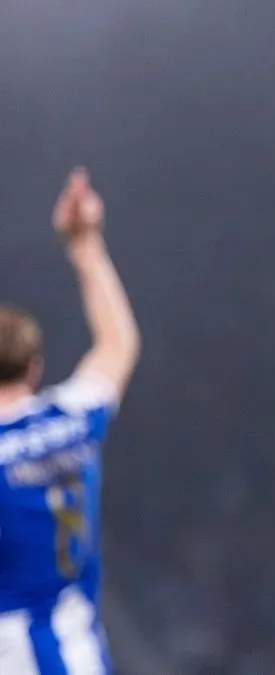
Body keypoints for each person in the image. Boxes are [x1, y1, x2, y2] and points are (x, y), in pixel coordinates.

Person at [0, 168, 141, 674]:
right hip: (79, 653)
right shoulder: (75, 419)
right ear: (34, 367)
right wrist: (85, 245)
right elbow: (118, 343)